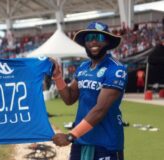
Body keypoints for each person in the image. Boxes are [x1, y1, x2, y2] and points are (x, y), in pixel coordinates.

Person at [51, 22, 128, 160]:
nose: (93, 41)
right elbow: (69, 98)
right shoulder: (83, 67)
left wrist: (70, 136)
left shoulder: (116, 69)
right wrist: (57, 77)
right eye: (90, 37)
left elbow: (100, 109)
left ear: (108, 42)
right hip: (81, 141)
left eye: (99, 38)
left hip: (106, 144)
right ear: (85, 43)